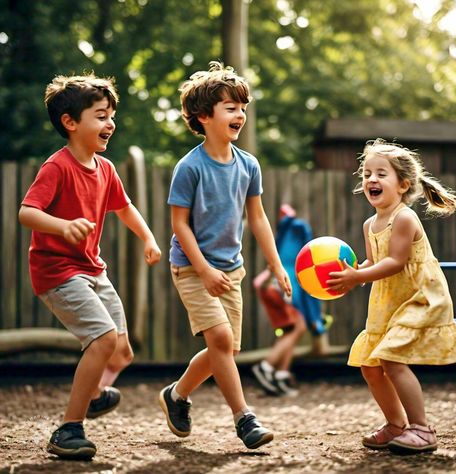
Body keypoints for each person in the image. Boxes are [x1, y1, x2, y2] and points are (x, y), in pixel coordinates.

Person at [18, 73, 162, 460]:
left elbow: (125, 208)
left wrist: (148, 238)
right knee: (101, 340)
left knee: (122, 352)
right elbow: (27, 213)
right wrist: (62, 225)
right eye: (100, 115)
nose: (109, 123)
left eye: (111, 115)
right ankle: (69, 428)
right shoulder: (57, 167)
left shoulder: (105, 168)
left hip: (92, 269)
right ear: (70, 122)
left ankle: (94, 394)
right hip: (57, 271)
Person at [158, 61, 291, 450]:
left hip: (231, 270)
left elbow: (259, 218)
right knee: (219, 339)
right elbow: (179, 225)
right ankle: (244, 418)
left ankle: (177, 395)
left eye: (242, 107)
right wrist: (203, 268)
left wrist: (276, 264)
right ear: (203, 115)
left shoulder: (248, 165)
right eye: (230, 107)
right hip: (191, 268)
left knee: (225, 350)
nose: (240, 114)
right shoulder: (190, 167)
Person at [327, 139, 456, 454]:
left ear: (402, 185)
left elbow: (396, 262)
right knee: (370, 365)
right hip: (389, 301)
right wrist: (354, 276)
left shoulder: (404, 218)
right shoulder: (369, 224)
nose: (371, 180)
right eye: (367, 174)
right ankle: (395, 424)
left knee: (391, 359)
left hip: (418, 296)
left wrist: (359, 275)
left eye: (381, 174)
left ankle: (422, 428)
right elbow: (375, 263)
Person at [252, 204, 326, 397]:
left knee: (289, 329)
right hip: (279, 285)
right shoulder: (299, 234)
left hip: (265, 284)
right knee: (299, 327)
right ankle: (266, 367)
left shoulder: (282, 236)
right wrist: (316, 321)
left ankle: (281, 374)